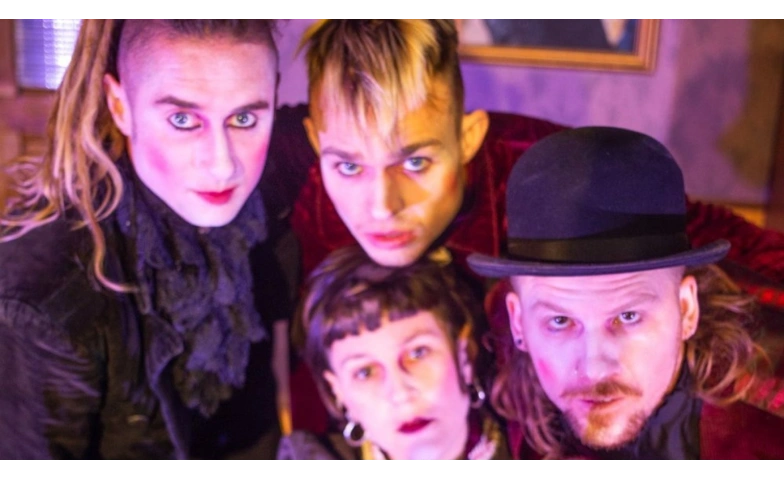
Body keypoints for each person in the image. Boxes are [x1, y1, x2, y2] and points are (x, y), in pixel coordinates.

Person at [262, 18, 784, 435]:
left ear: (468, 138)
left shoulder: (531, 171)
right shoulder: (290, 166)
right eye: (348, 166)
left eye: (416, 162)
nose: (381, 206)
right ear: (316, 144)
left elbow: (705, 229)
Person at [0, 18, 296, 461]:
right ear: (120, 107)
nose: (222, 165)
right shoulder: (46, 295)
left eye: (244, 118)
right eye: (183, 120)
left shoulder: (266, 210)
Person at [467, 126, 784, 460]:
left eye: (628, 316)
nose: (594, 369)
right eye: (560, 321)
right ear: (518, 323)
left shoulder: (765, 427)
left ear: (686, 310)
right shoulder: (490, 390)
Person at [276, 246, 509, 461]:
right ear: (339, 392)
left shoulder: (527, 445)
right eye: (365, 372)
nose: (400, 393)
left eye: (417, 353)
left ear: (464, 354)